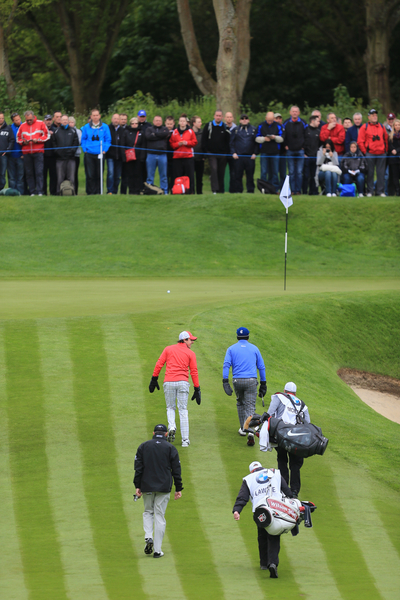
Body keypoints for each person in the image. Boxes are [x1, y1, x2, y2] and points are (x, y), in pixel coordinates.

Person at [232, 461, 293, 578]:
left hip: (260, 510)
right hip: (275, 508)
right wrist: (293, 502)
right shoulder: (275, 473)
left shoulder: (248, 479)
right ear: (261, 467)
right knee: (274, 535)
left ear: (251, 471)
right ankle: (273, 563)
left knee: (262, 535)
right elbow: (287, 491)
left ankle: (264, 563)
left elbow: (242, 496)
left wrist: (237, 510)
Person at [134, 423, 183, 559]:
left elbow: (138, 468)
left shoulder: (143, 446)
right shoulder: (170, 448)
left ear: (153, 433)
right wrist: (178, 488)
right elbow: (176, 471)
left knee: (148, 512)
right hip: (163, 487)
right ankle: (157, 550)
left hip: (147, 486)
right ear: (166, 434)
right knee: (159, 515)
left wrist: (137, 486)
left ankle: (148, 536)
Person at [149, 331, 201, 446]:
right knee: (183, 410)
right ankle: (185, 440)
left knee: (170, 407)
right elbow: (194, 371)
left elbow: (159, 364)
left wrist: (154, 378)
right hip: (183, 382)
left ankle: (172, 426)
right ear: (184, 340)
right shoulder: (191, 353)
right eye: (190, 340)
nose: (192, 342)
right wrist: (197, 388)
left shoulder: (168, 349)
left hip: (169, 382)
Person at [222, 327, 267, 446]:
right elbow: (261, 367)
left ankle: (243, 428)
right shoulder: (254, 348)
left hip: (237, 380)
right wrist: (263, 383)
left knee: (240, 402)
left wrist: (225, 381)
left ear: (237, 336)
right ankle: (250, 431)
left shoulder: (231, 349)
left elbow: (226, 365)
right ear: (248, 337)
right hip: (251, 380)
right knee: (250, 405)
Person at [265, 382, 310, 496]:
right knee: (295, 464)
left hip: (282, 434)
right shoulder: (302, 404)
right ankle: (294, 491)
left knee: (282, 460)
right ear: (295, 393)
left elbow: (270, 413)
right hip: (296, 438)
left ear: (285, 391)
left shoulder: (279, 397)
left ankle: (284, 490)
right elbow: (308, 423)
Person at [17, 110, 49, 196]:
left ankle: (40, 191)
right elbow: (18, 138)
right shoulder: (22, 126)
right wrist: (24, 142)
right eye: (27, 120)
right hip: (27, 153)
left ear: (33, 117)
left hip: (38, 152)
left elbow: (47, 135)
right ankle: (32, 192)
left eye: (30, 119)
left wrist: (38, 140)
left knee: (39, 172)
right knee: (29, 173)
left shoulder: (41, 123)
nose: (29, 121)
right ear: (25, 118)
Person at [357, 108, 388, 197]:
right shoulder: (364, 127)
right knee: (370, 173)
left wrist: (385, 150)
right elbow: (360, 141)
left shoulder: (382, 126)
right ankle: (370, 191)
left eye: (375, 115)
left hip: (381, 153)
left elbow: (385, 139)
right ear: (369, 117)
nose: (374, 117)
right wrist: (365, 152)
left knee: (381, 173)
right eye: (372, 115)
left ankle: (380, 191)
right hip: (370, 153)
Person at [81, 109, 111, 195]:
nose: (95, 117)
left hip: (100, 154)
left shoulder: (105, 127)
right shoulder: (86, 127)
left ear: (99, 116)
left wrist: (105, 150)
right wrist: (85, 150)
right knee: (90, 174)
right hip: (89, 154)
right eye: (93, 115)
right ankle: (90, 192)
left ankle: (98, 192)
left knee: (99, 174)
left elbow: (108, 140)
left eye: (97, 115)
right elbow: (83, 139)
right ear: (91, 116)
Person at [201, 109, 231, 194]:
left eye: (220, 116)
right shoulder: (208, 126)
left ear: (222, 117)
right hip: (211, 153)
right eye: (217, 115)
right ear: (214, 116)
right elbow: (204, 139)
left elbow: (228, 141)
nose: (218, 117)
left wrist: (226, 152)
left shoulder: (225, 127)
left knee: (221, 172)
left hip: (222, 154)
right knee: (214, 169)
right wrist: (206, 151)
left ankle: (220, 190)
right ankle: (214, 190)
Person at [255, 111, 283, 192]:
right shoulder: (261, 125)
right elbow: (256, 138)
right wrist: (264, 139)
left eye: (272, 120)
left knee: (275, 172)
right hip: (264, 152)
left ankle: (275, 189)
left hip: (275, 152)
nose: (270, 122)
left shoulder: (278, 126)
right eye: (269, 120)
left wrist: (275, 138)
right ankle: (263, 188)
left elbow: (282, 138)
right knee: (264, 172)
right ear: (266, 118)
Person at [169, 113, 197, 193]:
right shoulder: (174, 132)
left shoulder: (191, 131)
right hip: (177, 157)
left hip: (188, 157)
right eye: (180, 121)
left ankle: (190, 191)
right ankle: (177, 191)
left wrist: (186, 143)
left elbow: (195, 142)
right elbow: (171, 144)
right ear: (178, 122)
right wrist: (178, 144)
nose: (182, 122)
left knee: (190, 176)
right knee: (177, 176)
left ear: (186, 122)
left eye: (183, 121)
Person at [52, 114, 79, 194]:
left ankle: (72, 192)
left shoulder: (73, 131)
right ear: (61, 121)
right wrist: (58, 152)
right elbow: (54, 143)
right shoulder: (56, 131)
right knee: (60, 178)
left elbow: (76, 143)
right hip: (60, 159)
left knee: (72, 178)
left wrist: (71, 152)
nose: (64, 121)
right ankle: (59, 192)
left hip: (71, 158)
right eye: (63, 120)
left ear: (68, 121)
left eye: (66, 120)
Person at [230, 114, 258, 193]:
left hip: (250, 157)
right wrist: (233, 152)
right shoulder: (235, 130)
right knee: (238, 175)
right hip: (239, 157)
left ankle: (250, 190)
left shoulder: (253, 129)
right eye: (242, 118)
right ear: (240, 120)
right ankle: (238, 190)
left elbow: (257, 143)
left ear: (248, 120)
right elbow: (231, 143)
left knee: (250, 175)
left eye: (246, 118)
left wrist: (255, 153)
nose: (244, 120)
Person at [283, 106, 307, 194]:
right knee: (292, 172)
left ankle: (298, 190)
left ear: (299, 113)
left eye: (296, 111)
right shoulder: (286, 123)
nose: (294, 113)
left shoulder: (303, 123)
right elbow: (283, 135)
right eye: (293, 111)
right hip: (290, 151)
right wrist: (285, 145)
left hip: (300, 150)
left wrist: (304, 146)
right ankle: (292, 190)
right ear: (290, 112)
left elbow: (306, 135)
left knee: (299, 172)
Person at [145, 115, 171, 194]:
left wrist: (155, 134)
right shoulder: (149, 129)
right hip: (151, 155)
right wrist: (159, 135)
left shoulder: (165, 129)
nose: (158, 122)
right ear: (153, 121)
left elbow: (165, 134)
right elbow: (148, 137)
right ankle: (150, 190)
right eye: (156, 120)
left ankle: (164, 191)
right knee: (150, 175)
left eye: (159, 120)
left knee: (163, 175)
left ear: (162, 122)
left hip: (162, 155)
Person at [122, 116, 144, 194]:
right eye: (132, 123)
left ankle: (137, 190)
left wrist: (142, 156)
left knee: (138, 174)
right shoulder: (126, 132)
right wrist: (124, 156)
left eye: (136, 123)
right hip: (129, 156)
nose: (134, 125)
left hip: (138, 156)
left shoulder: (141, 132)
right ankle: (131, 190)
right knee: (130, 174)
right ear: (130, 124)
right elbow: (123, 144)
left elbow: (143, 145)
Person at [43, 111, 61, 195]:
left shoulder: (55, 130)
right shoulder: (41, 130)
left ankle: (53, 192)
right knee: (43, 175)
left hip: (53, 156)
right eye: (47, 120)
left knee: (53, 175)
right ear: (44, 121)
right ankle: (43, 192)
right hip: (43, 156)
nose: (48, 121)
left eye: (50, 120)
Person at [302, 114, 321, 195]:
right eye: (317, 121)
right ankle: (305, 191)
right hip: (307, 156)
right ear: (312, 121)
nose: (319, 123)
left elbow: (320, 144)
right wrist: (303, 153)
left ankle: (314, 191)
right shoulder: (305, 130)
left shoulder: (318, 131)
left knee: (314, 175)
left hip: (316, 157)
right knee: (306, 175)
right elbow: (302, 142)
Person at [106, 113, 124, 194]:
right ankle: (110, 190)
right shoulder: (108, 128)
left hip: (119, 156)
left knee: (117, 176)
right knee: (110, 173)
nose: (116, 120)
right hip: (110, 155)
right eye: (114, 118)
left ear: (119, 120)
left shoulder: (123, 130)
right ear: (111, 119)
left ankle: (115, 190)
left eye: (117, 119)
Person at [8, 112, 24, 194]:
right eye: (16, 120)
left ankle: (20, 192)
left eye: (19, 119)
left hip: (21, 156)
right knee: (11, 176)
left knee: (20, 176)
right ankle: (12, 192)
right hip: (11, 156)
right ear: (13, 121)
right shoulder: (9, 128)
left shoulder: (24, 127)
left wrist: (23, 153)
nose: (18, 121)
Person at [0, 112, 15, 190]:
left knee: (2, 173)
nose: (1, 120)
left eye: (2, 118)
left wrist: (8, 150)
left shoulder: (8, 128)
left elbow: (12, 140)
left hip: (3, 155)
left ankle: (1, 188)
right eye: (0, 118)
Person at [68, 116, 82, 195]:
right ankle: (67, 190)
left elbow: (79, 141)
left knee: (75, 173)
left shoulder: (78, 131)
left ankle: (75, 191)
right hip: (66, 155)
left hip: (75, 155)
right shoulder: (65, 131)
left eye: (72, 122)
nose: (70, 124)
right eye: (69, 122)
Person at [191, 115, 204, 194]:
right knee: (191, 177)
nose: (201, 123)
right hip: (190, 158)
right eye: (199, 122)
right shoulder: (189, 132)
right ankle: (191, 192)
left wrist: (203, 156)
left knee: (199, 178)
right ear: (194, 123)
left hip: (200, 158)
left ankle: (199, 193)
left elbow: (204, 145)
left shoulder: (202, 133)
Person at [225, 111, 237, 192]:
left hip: (233, 154)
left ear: (232, 118)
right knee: (221, 172)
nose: (229, 118)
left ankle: (232, 190)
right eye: (227, 117)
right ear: (225, 118)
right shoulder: (222, 127)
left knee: (233, 173)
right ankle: (220, 190)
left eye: (230, 117)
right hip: (224, 153)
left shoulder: (236, 129)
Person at [388, 118, 400, 196]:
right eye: (396, 125)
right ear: (393, 126)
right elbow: (389, 145)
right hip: (393, 159)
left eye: (398, 125)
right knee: (394, 175)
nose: (397, 126)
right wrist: (392, 150)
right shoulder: (390, 135)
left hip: (398, 155)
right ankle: (397, 191)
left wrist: (397, 150)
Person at [274, 113, 287, 188]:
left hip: (282, 153)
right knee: (274, 172)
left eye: (279, 118)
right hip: (274, 152)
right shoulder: (272, 127)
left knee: (283, 172)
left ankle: (283, 188)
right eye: (276, 118)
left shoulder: (283, 127)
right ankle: (275, 188)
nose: (278, 120)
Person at [165, 116, 176, 192]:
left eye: (171, 124)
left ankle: (173, 189)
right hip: (165, 156)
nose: (169, 125)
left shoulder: (176, 132)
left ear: (173, 124)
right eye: (168, 124)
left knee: (173, 174)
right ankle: (165, 190)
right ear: (165, 123)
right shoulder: (162, 131)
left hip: (174, 156)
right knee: (165, 174)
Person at [119, 113, 129, 194]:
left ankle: (123, 192)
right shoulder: (115, 129)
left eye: (125, 119)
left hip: (126, 155)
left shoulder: (128, 129)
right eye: (122, 119)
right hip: (116, 156)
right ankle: (113, 191)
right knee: (114, 175)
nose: (123, 121)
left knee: (125, 175)